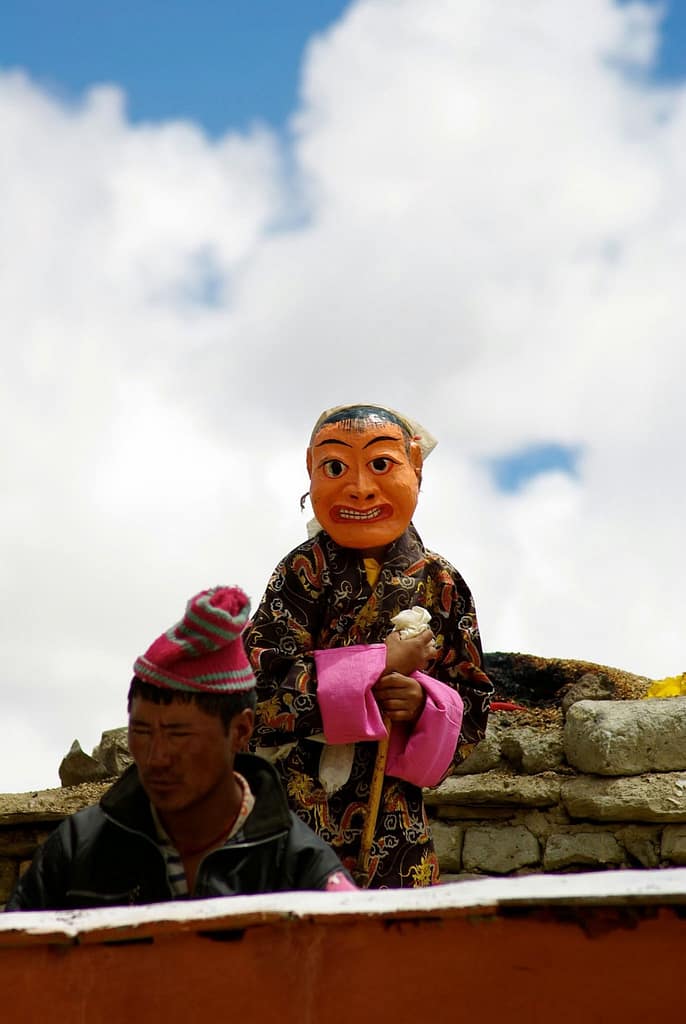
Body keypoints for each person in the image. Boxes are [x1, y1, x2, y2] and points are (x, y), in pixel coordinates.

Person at [244, 404, 493, 888]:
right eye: (335, 467)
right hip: (298, 804)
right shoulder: (301, 573)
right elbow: (260, 692)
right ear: (310, 470)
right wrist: (378, 665)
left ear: (415, 466)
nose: (359, 486)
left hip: (395, 817)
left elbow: (474, 701)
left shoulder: (441, 581)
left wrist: (425, 704)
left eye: (381, 464)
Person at [6, 586, 354, 911]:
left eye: (179, 735)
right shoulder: (76, 851)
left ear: (240, 731)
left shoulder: (301, 869)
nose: (156, 757)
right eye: (141, 732)